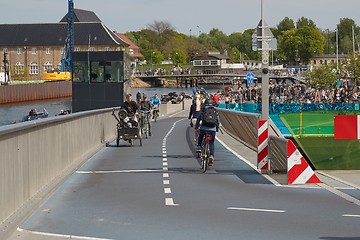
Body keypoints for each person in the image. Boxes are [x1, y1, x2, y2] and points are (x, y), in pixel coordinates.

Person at [195, 99, 220, 166]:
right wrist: (216, 129)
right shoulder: (215, 111)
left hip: (204, 128)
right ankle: (211, 155)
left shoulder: (203, 110)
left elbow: (198, 119)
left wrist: (196, 127)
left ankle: (199, 147)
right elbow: (217, 121)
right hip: (212, 130)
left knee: (200, 135)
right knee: (211, 143)